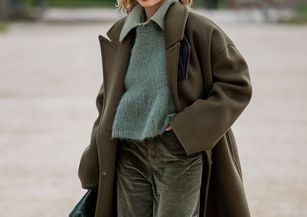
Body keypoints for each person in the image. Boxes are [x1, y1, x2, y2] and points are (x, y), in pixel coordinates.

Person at [77, 0, 253, 216]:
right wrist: (94, 157)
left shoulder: (200, 29)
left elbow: (236, 84)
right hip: (128, 153)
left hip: (178, 152)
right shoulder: (120, 33)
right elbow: (107, 101)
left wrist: (186, 127)